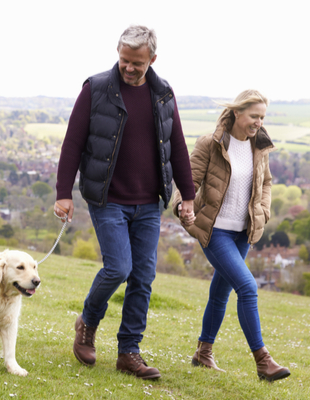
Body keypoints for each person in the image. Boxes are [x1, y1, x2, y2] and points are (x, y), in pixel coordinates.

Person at [54, 24, 196, 380]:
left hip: (149, 202)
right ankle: (87, 322)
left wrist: (188, 196)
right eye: (123, 61)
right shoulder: (96, 88)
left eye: (137, 63)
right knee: (118, 268)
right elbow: (72, 143)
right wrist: (63, 193)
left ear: (152, 59)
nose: (129, 68)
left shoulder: (163, 93)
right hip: (108, 198)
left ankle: (129, 352)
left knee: (143, 277)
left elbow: (176, 146)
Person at [171, 89, 290, 382]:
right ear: (237, 113)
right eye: (253, 116)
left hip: (242, 233)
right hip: (215, 231)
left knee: (220, 292)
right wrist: (180, 205)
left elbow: (266, 183)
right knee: (248, 287)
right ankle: (263, 361)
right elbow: (189, 180)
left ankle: (203, 352)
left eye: (262, 117)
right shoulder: (210, 144)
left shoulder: (258, 148)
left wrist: (262, 211)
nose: (258, 123)